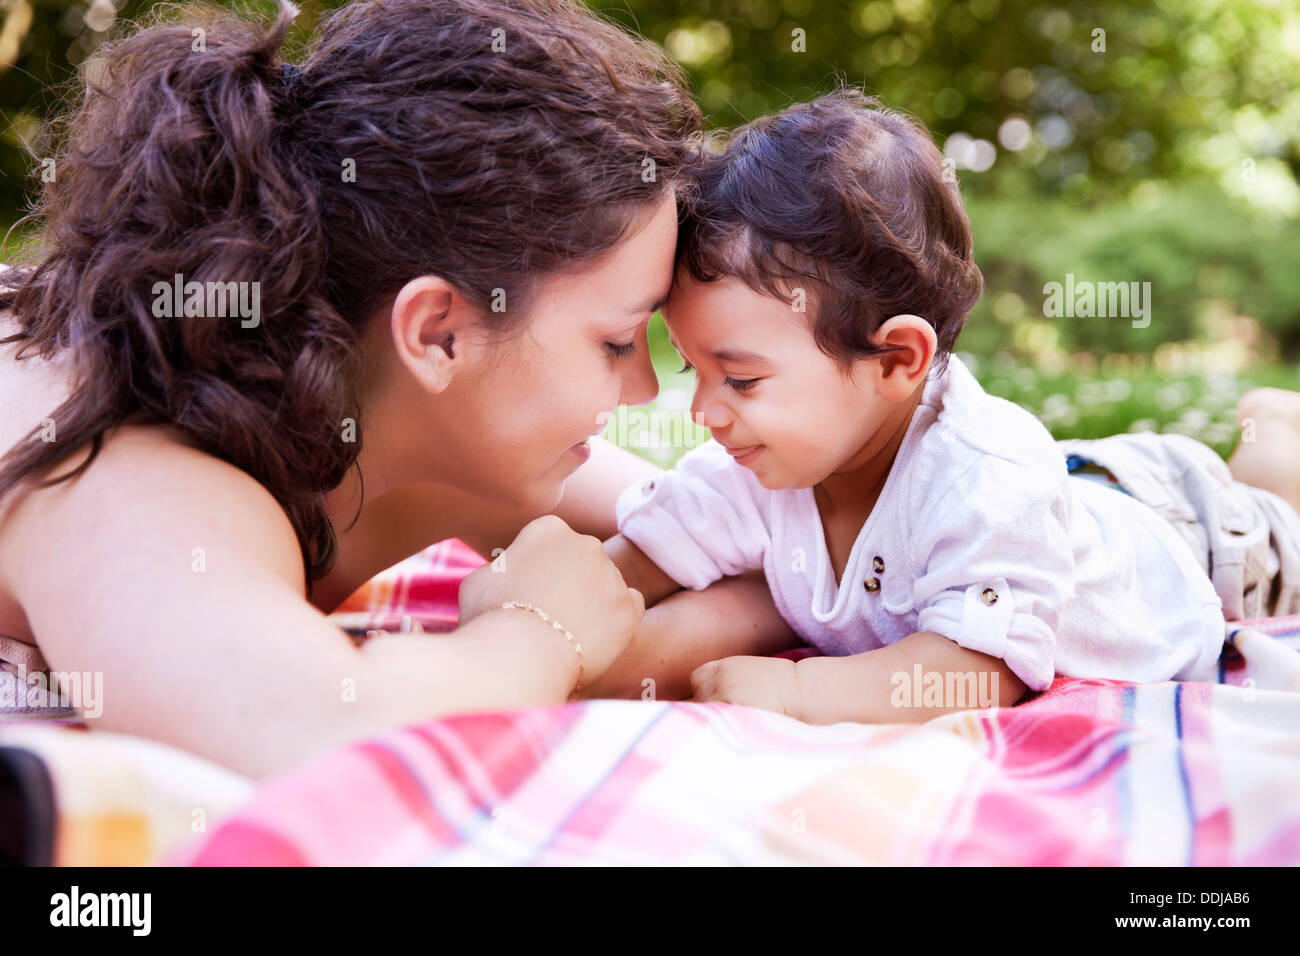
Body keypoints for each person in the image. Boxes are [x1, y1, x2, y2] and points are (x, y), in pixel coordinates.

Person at [0, 0, 796, 778]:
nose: (642, 388)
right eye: (618, 341)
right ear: (437, 334)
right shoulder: (129, 463)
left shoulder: (408, 427)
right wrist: (538, 634)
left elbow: (774, 539)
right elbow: (321, 746)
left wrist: (631, 647)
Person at [601, 89, 1300, 724]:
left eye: (742, 381)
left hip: (1197, 542)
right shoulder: (756, 462)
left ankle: (1274, 426)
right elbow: (637, 559)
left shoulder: (984, 480)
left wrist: (798, 691)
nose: (705, 412)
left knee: (1276, 492)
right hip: (1068, 495)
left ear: (898, 359)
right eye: (694, 370)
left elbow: (976, 672)